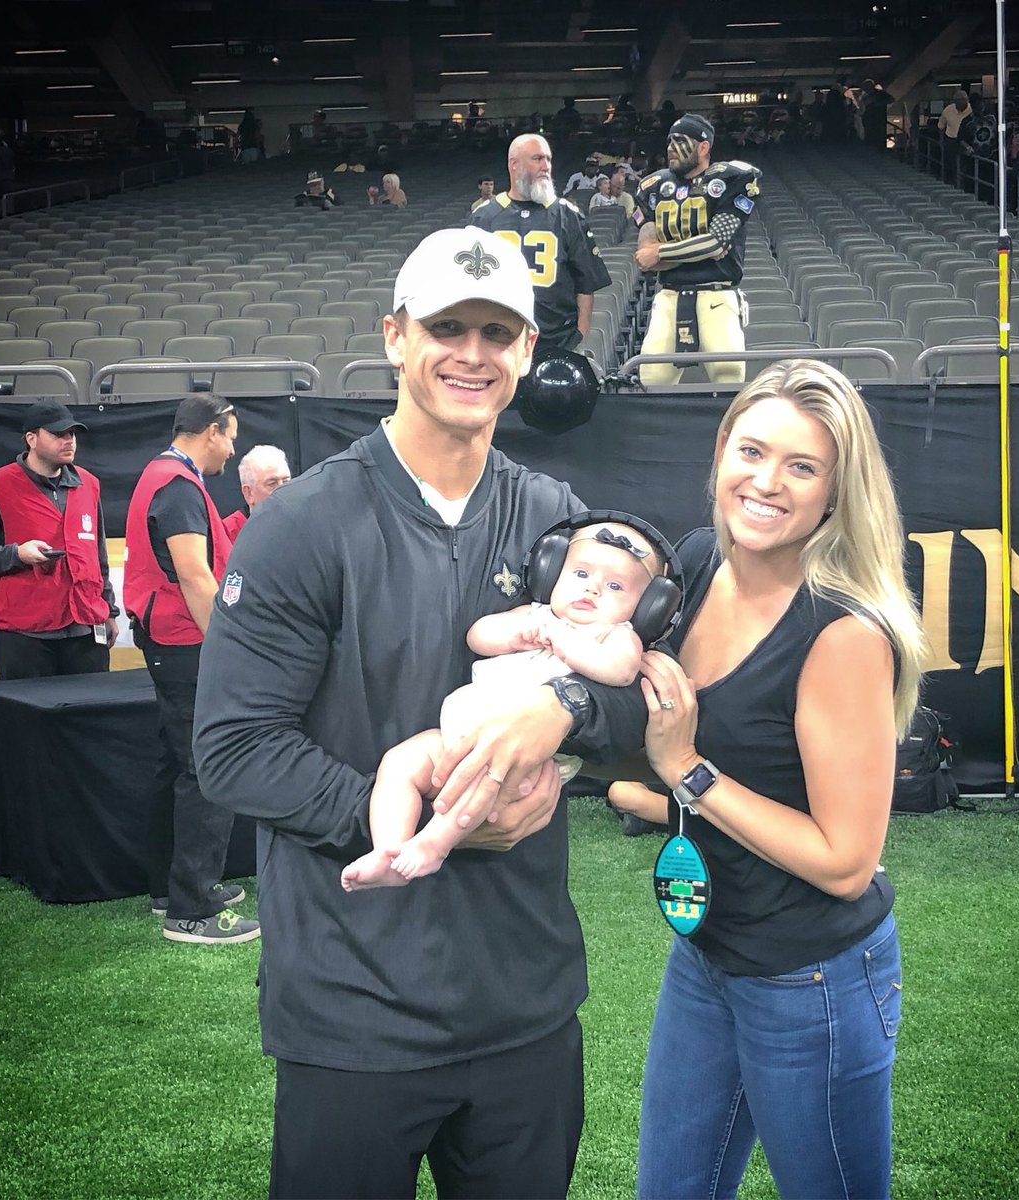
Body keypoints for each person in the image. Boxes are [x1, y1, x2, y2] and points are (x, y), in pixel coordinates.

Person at [192, 226, 647, 1199]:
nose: (473, 353)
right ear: (396, 336)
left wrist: (563, 712)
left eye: (498, 331)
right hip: (354, 1014)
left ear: (529, 351)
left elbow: (642, 699)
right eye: (447, 326)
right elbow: (233, 750)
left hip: (523, 1007)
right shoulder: (298, 525)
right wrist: (434, 821)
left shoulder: (555, 515)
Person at [609, 359, 925, 1200]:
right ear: (720, 452)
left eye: (802, 467)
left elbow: (845, 860)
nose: (767, 483)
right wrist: (626, 778)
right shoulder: (700, 559)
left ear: (834, 492)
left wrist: (686, 772)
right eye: (752, 451)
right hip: (708, 954)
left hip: (811, 977)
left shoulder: (841, 634)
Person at [342, 519, 662, 888]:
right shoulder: (536, 614)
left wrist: (566, 643)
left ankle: (434, 844)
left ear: (645, 608)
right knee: (399, 763)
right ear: (551, 572)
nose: (592, 588)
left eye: (615, 586)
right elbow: (478, 636)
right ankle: (388, 849)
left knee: (480, 786)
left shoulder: (616, 635)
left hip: (524, 758)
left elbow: (621, 671)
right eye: (580, 573)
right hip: (458, 736)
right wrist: (515, 636)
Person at [123, 394, 256, 944]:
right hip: (185, 642)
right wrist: (224, 646)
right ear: (209, 432)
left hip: (169, 639)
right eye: (230, 435)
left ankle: (169, 889)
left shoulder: (165, 477)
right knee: (205, 769)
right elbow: (196, 577)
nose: (232, 446)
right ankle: (193, 910)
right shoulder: (177, 485)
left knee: (178, 765)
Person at [0, 401, 118, 679]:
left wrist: (109, 610)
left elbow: (98, 554)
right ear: (31, 439)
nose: (69, 440)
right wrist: (16, 554)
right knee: (26, 720)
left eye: (72, 434)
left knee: (88, 715)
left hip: (85, 626)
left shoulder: (88, 484)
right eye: (58, 434)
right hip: (24, 633)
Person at [632, 113, 762, 386]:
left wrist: (663, 252)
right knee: (652, 377)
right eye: (669, 141)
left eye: (680, 140)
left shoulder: (731, 179)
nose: (670, 148)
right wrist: (696, 249)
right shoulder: (653, 187)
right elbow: (645, 256)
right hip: (669, 295)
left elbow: (717, 241)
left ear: (704, 147)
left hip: (717, 293)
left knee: (728, 376)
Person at [470, 133, 612, 357]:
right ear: (514, 164)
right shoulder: (484, 217)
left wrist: (580, 334)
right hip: (497, 343)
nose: (546, 166)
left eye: (548, 159)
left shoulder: (569, 215)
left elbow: (586, 284)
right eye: (537, 158)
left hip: (557, 342)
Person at [221, 444, 292, 543]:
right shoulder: (226, 534)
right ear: (249, 493)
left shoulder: (302, 525)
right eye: (272, 484)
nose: (282, 490)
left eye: (286, 482)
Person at [937, 89, 971, 182]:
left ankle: (963, 183)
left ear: (966, 100)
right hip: (951, 139)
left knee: (965, 165)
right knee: (952, 164)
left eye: (962, 100)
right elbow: (941, 126)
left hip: (966, 141)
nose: (959, 103)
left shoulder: (972, 110)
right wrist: (941, 140)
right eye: (957, 101)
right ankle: (953, 182)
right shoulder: (948, 110)